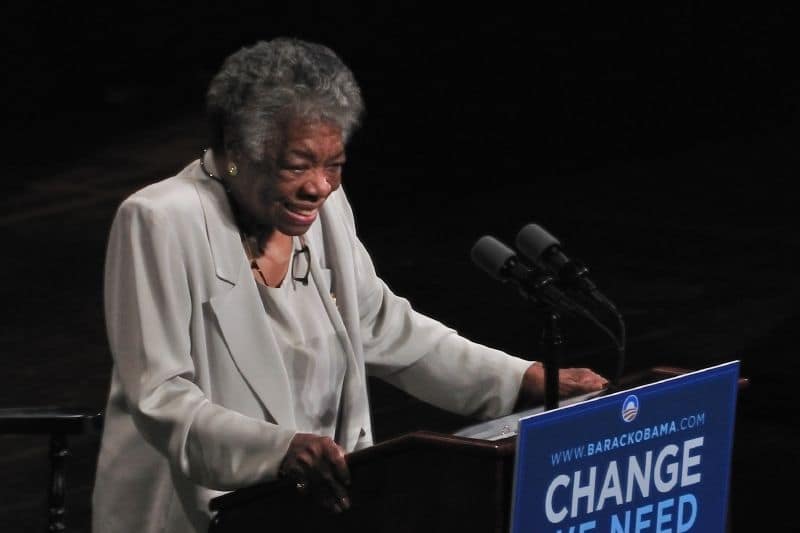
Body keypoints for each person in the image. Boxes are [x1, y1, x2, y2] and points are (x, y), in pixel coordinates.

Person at [91, 37, 608, 533]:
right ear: (234, 152)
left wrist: (522, 379)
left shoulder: (328, 210)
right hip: (199, 512)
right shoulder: (160, 220)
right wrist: (277, 449)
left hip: (315, 508)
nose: (319, 186)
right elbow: (161, 396)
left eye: (333, 165)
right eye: (297, 166)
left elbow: (383, 326)